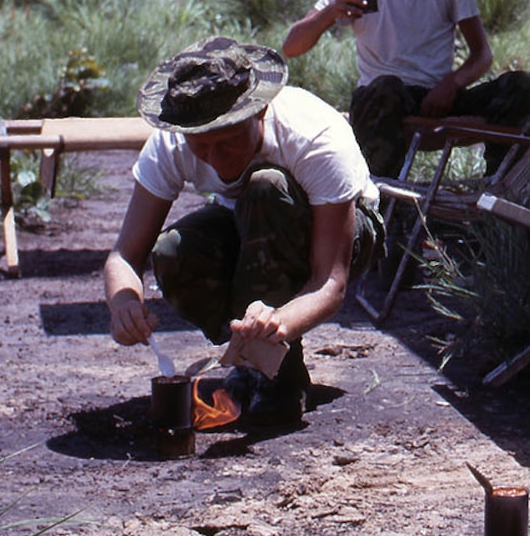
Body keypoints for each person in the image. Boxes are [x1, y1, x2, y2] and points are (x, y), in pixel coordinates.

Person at [103, 36, 382, 426]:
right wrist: (123, 304)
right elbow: (123, 256)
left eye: (229, 142)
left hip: (345, 233)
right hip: (252, 227)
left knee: (265, 188)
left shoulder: (314, 137)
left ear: (260, 112)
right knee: (174, 252)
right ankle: (254, 357)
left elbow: (330, 283)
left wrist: (278, 324)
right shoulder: (171, 140)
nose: (216, 160)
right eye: (202, 148)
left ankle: (273, 369)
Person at [283, 0, 530, 177]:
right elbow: (291, 46)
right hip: (381, 100)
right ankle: (382, 197)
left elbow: (482, 54)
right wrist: (329, 13)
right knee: (387, 86)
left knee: (522, 85)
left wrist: (451, 84)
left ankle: (502, 185)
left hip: (437, 96)